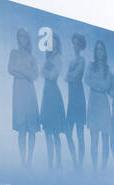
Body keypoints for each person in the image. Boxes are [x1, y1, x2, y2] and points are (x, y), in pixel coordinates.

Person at [8, 27, 39, 168]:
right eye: (20, 36)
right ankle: (22, 160)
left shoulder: (32, 58)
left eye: (25, 37)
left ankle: (30, 160)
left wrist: (22, 72)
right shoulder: (13, 53)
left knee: (31, 128)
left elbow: (34, 76)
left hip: (29, 91)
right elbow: (10, 69)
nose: (23, 39)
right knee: (21, 127)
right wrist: (25, 72)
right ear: (18, 38)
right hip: (19, 90)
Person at [38, 31, 67, 170]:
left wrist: (45, 72)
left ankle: (59, 161)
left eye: (54, 40)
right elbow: (41, 72)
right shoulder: (48, 58)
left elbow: (52, 75)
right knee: (48, 132)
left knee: (55, 132)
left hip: (54, 96)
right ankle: (50, 163)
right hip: (46, 95)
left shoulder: (58, 58)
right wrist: (45, 72)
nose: (52, 43)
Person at [84, 40, 111, 172]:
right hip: (93, 105)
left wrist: (95, 84)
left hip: (104, 106)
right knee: (94, 140)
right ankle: (95, 169)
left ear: (104, 52)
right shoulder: (91, 65)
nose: (99, 51)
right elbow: (86, 80)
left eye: (101, 49)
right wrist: (99, 85)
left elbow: (106, 86)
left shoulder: (107, 69)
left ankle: (103, 169)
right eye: (97, 49)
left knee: (105, 139)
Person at [64, 33, 87, 171]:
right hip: (72, 98)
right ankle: (75, 161)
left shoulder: (82, 60)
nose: (75, 46)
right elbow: (67, 77)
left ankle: (79, 163)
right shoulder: (72, 61)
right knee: (68, 132)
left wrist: (71, 76)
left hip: (79, 97)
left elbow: (73, 75)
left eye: (77, 43)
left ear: (81, 46)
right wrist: (71, 76)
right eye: (74, 43)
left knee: (79, 134)